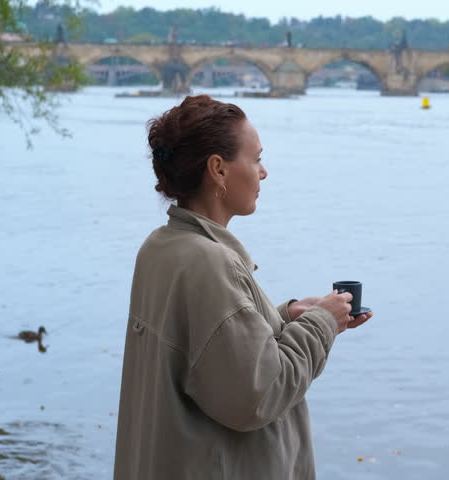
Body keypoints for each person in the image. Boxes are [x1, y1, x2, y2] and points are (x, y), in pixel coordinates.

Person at [113, 95, 373, 479]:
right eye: (256, 159)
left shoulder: (161, 247)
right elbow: (259, 393)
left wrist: (286, 316)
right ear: (217, 169)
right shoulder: (210, 262)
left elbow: (207, 350)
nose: (263, 172)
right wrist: (320, 325)